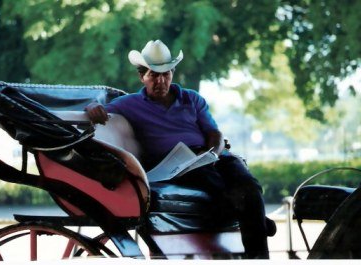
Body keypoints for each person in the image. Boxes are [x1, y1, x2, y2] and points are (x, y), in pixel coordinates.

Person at [85, 40, 276, 259]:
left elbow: (215, 134)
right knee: (227, 191)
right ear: (142, 77)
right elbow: (94, 110)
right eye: (153, 75)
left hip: (211, 156)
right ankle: (257, 220)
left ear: (172, 73)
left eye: (166, 74)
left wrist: (211, 154)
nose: (161, 80)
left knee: (249, 186)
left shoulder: (192, 98)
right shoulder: (129, 103)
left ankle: (260, 258)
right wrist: (92, 108)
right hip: (177, 166)